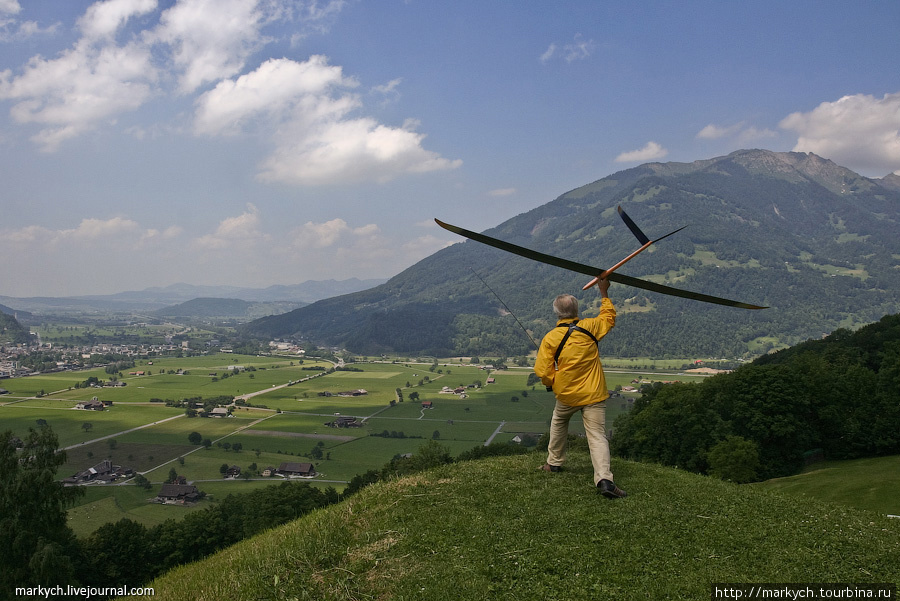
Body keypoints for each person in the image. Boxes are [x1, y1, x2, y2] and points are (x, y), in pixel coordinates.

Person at [533, 278, 626, 499]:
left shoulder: (550, 338)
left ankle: (554, 463)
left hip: (566, 394)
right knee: (597, 436)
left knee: (558, 422)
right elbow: (608, 317)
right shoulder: (590, 327)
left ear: (557, 313)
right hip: (594, 393)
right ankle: (604, 479)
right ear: (576, 310)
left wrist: (552, 383)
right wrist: (604, 292)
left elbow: (543, 371)